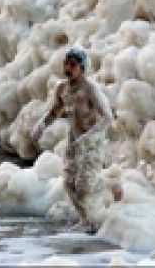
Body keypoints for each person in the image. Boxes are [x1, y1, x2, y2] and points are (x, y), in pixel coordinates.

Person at [31, 47, 122, 234]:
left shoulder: (91, 89)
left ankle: (111, 184)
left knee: (84, 185)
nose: (68, 68)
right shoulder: (61, 88)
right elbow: (55, 111)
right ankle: (85, 220)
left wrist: (88, 137)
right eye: (66, 63)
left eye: (73, 65)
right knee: (69, 183)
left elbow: (107, 117)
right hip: (74, 141)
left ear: (82, 67)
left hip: (92, 142)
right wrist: (41, 125)